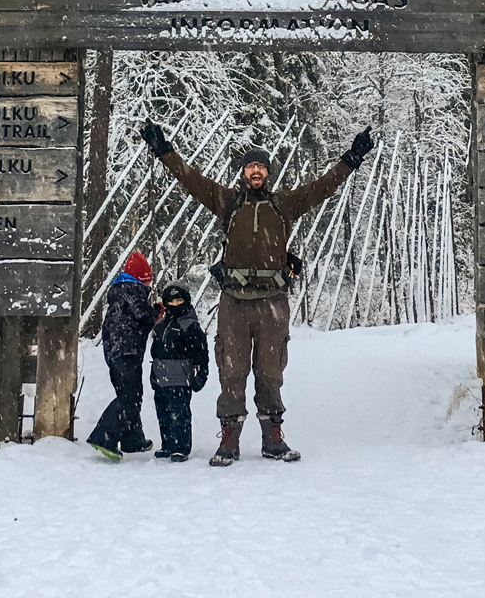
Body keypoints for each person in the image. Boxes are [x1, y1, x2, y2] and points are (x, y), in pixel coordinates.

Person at [141, 119, 375, 466]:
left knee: (270, 372)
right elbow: (190, 180)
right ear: (243, 171)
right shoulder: (227, 201)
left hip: (272, 303)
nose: (256, 171)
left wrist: (351, 158)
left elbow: (323, 186)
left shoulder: (285, 204)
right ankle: (230, 440)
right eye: (251, 166)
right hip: (234, 302)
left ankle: (273, 438)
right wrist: (163, 151)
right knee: (231, 372)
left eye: (261, 167)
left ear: (269, 173)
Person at [84, 251, 157, 462]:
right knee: (129, 397)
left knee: (132, 393)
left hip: (116, 351)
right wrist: (156, 313)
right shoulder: (132, 290)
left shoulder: (120, 290)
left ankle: (133, 439)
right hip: (127, 351)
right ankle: (104, 436)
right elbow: (143, 316)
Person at [150, 283, 209, 463]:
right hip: (161, 376)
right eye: (171, 301)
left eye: (179, 300)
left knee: (180, 414)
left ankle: (181, 447)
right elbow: (155, 350)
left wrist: (201, 375)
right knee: (163, 413)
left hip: (181, 377)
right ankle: (168, 444)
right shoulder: (162, 324)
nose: (175, 304)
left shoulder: (190, 325)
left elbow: (201, 353)